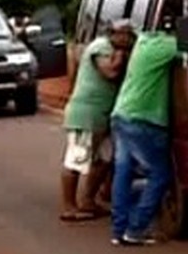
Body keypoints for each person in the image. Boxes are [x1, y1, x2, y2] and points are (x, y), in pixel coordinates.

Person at [109, 13, 182, 246]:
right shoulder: (165, 46)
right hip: (143, 118)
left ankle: (120, 230)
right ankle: (137, 227)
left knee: (124, 173)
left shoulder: (144, 42)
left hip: (122, 114)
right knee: (160, 174)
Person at [58, 20, 136, 221]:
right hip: (86, 113)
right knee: (77, 159)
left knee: (105, 159)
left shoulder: (112, 47)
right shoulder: (100, 47)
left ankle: (88, 200)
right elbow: (110, 72)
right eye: (126, 35)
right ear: (114, 34)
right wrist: (120, 54)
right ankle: (68, 205)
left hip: (103, 114)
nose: (129, 39)